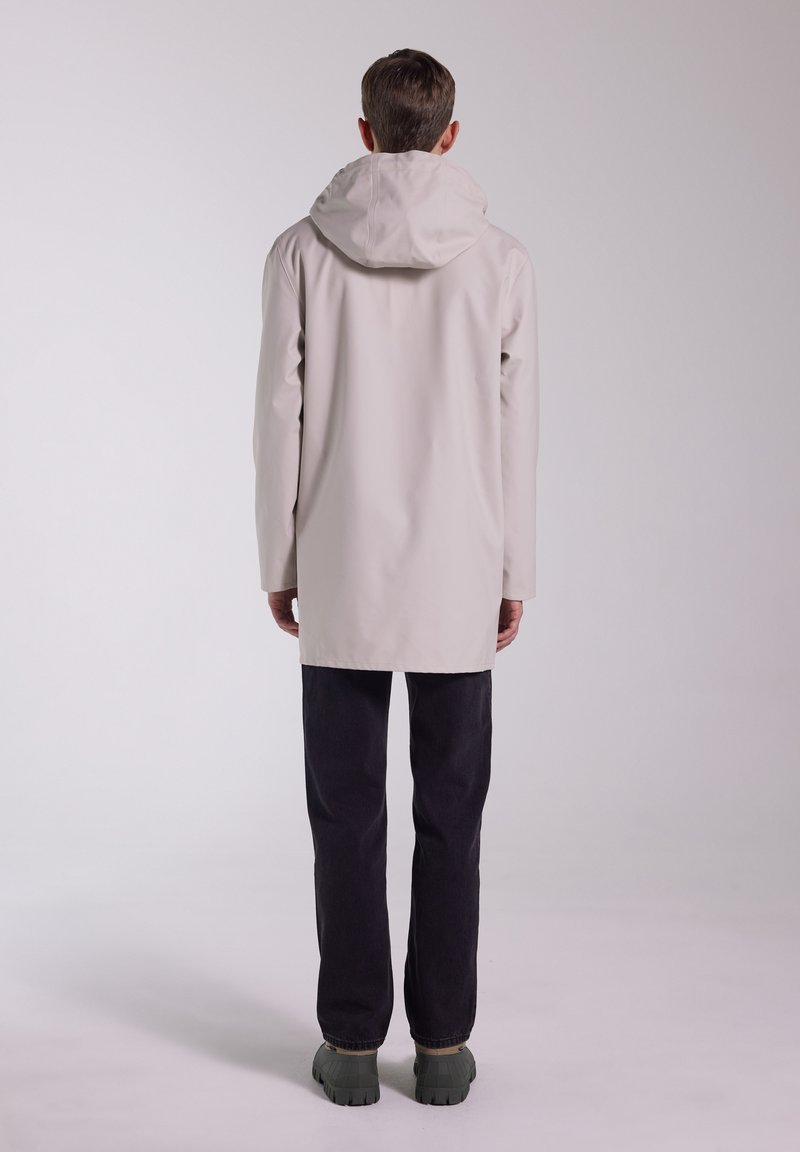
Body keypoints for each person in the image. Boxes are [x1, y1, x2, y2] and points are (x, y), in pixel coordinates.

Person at [253, 48, 539, 1106]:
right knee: (451, 817)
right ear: (449, 136)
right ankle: (444, 1048)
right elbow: (516, 427)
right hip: (460, 566)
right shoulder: (501, 260)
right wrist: (515, 565)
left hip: (339, 563)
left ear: (365, 133)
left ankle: (347, 1044)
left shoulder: (300, 252)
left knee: (346, 813)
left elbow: (277, 416)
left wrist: (279, 557)